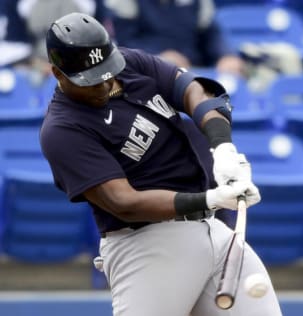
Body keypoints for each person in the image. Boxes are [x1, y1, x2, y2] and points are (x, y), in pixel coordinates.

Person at [40, 12, 282, 316]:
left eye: (106, 72)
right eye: (90, 81)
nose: (103, 85)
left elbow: (194, 90)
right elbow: (123, 202)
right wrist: (209, 199)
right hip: (147, 245)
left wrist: (222, 147)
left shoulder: (131, 63)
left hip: (215, 232)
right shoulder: (62, 130)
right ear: (58, 74)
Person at [104, 0, 245, 76]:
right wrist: (157, 59)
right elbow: (123, 44)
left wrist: (226, 55)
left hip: (195, 72)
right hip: (147, 75)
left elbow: (211, 33)